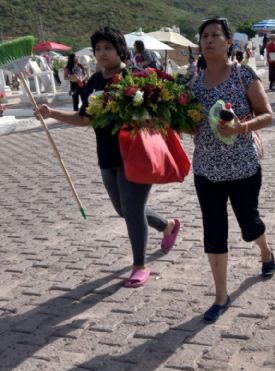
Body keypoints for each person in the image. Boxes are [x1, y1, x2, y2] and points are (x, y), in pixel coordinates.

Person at [35, 27, 181, 289]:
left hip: (135, 153)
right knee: (122, 210)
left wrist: (145, 116)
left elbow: (159, 111)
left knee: (133, 211)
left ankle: (140, 265)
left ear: (119, 50)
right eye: (98, 49)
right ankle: (167, 225)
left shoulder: (135, 77)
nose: (102, 53)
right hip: (106, 156)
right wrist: (51, 113)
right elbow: (84, 118)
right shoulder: (93, 81)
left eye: (107, 48)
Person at [190, 18, 275, 323]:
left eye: (215, 35)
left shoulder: (244, 75)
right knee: (214, 232)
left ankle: (265, 251)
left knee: (249, 225)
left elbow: (267, 114)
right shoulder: (193, 83)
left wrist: (243, 126)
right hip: (206, 170)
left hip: (243, 167)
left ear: (228, 43)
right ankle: (221, 296)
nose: (209, 40)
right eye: (204, 36)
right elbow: (188, 124)